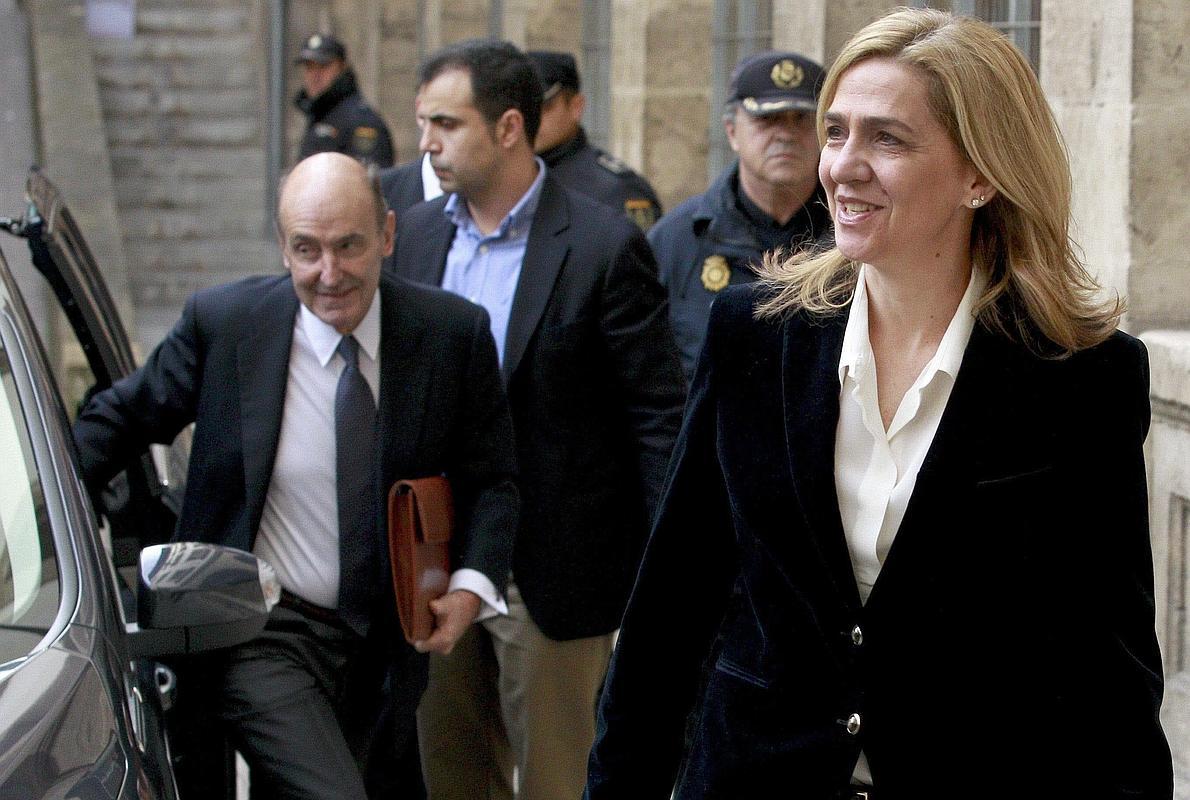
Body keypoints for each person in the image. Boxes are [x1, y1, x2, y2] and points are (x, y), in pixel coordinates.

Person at [585, 8, 1173, 799]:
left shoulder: (1081, 376)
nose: (842, 167)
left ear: (980, 176)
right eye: (836, 133)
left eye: (888, 140)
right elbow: (670, 611)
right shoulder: (755, 335)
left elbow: (1108, 666)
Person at [73, 153, 518, 800]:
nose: (329, 274)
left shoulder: (450, 334)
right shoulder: (226, 326)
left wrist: (472, 584)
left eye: (349, 246)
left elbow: (493, 480)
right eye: (307, 250)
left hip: (387, 642)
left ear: (388, 235)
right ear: (282, 248)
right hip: (260, 631)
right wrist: (32, 518)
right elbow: (117, 421)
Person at [390, 39, 686, 800]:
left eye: (446, 124)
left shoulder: (602, 245)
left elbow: (656, 416)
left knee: (559, 780)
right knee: (450, 777)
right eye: (423, 124)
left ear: (508, 127)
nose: (427, 144)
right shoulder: (414, 234)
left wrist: (666, 565)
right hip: (438, 553)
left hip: (556, 569)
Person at [650, 49, 830, 382]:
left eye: (802, 119)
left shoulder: (855, 236)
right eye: (768, 120)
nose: (786, 134)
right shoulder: (677, 240)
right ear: (732, 131)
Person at [527, 50, 663, 230]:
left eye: (544, 108)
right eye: (524, 108)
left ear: (575, 107)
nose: (531, 118)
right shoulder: (511, 179)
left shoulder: (617, 189)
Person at [295, 33, 395, 168]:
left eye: (323, 67)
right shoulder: (320, 113)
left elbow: (369, 176)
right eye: (309, 67)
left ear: (342, 68)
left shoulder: (362, 121)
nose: (315, 76)